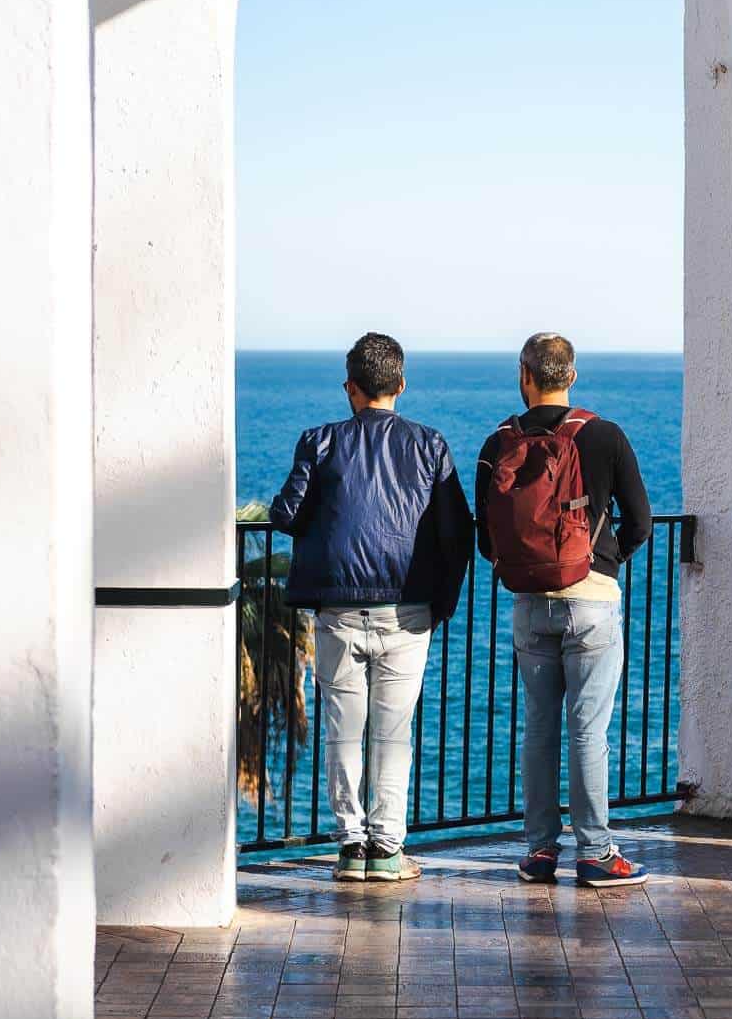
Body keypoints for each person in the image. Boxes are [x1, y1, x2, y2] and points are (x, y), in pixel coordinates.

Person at [270, 332, 472, 883]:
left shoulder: (320, 441)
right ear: (400, 385)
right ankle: (387, 850)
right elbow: (458, 532)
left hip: (337, 611)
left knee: (342, 728)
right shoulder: (430, 445)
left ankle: (350, 846)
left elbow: (286, 514)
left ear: (350, 389)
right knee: (392, 732)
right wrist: (441, 602)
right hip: (407, 613)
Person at [476, 332, 652, 888]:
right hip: (593, 602)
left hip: (529, 604)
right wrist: (605, 561)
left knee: (538, 729)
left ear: (524, 376)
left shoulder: (497, 442)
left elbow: (486, 540)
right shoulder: (604, 435)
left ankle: (539, 852)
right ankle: (596, 853)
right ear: (571, 376)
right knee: (587, 733)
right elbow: (641, 522)